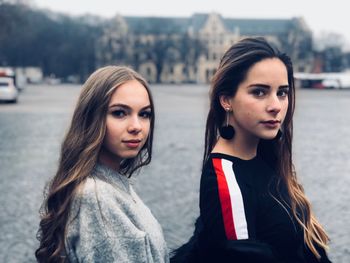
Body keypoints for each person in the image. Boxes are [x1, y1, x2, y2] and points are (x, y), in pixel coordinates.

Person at [171, 37, 331, 263]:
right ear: (227, 99)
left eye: (282, 92)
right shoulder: (226, 181)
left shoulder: (267, 156)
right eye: (259, 92)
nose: (276, 105)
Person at [35, 65, 169, 262]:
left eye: (144, 114)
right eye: (120, 113)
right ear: (91, 117)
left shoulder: (110, 184)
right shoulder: (96, 197)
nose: (136, 127)